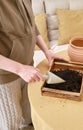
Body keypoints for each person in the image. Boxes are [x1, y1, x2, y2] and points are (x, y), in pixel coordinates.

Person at [0, 0, 67, 130]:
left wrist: (47, 51)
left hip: (29, 68)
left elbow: (31, 26)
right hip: (6, 77)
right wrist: (20, 69)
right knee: (11, 122)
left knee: (29, 112)